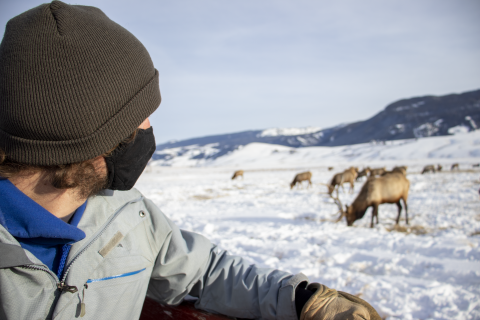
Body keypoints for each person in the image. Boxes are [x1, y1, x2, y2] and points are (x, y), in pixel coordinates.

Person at [0, 2, 381, 319]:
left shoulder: (129, 216)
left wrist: (302, 299)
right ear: (89, 135)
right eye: (139, 115)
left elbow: (205, 271)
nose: (150, 127)